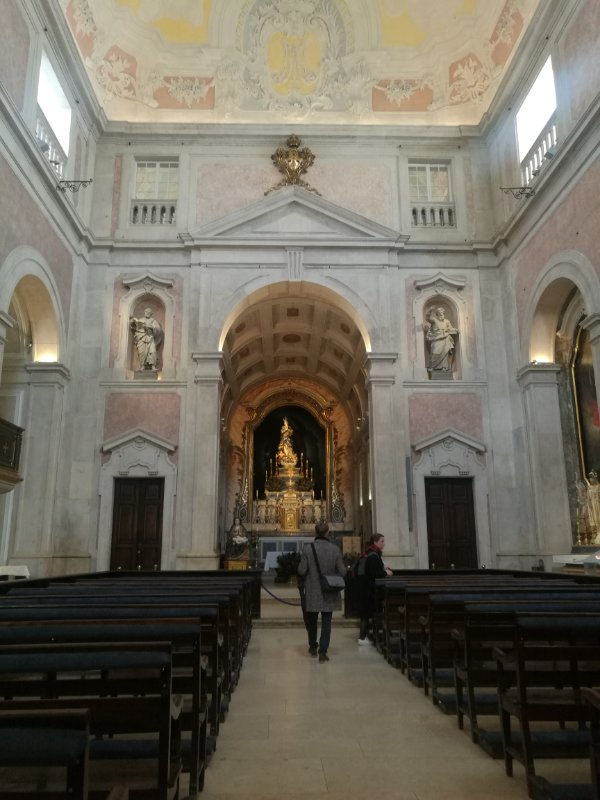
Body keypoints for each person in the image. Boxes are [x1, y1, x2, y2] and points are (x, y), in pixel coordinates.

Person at [297, 521, 346, 662]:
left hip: (313, 590)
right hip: (328, 589)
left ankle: (313, 646)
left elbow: (301, 570)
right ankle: (323, 652)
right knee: (327, 621)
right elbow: (342, 571)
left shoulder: (308, 549)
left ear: (315, 532)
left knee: (312, 621)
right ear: (327, 532)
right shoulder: (334, 549)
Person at [357, 533, 393, 645]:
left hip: (367, 589)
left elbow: (372, 569)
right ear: (375, 542)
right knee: (366, 614)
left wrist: (383, 568)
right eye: (382, 541)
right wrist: (385, 572)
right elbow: (373, 573)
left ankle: (367, 636)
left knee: (367, 614)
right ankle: (362, 638)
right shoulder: (373, 555)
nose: (384, 543)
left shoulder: (371, 553)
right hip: (369, 590)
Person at [425, 306, 458, 372]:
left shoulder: (446, 321)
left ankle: (444, 367)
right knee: (435, 352)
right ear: (437, 313)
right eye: (440, 312)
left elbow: (450, 329)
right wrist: (430, 310)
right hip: (436, 338)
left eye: (442, 312)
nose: (441, 313)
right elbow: (428, 318)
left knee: (445, 353)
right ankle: (432, 366)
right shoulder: (434, 320)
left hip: (445, 338)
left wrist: (455, 330)